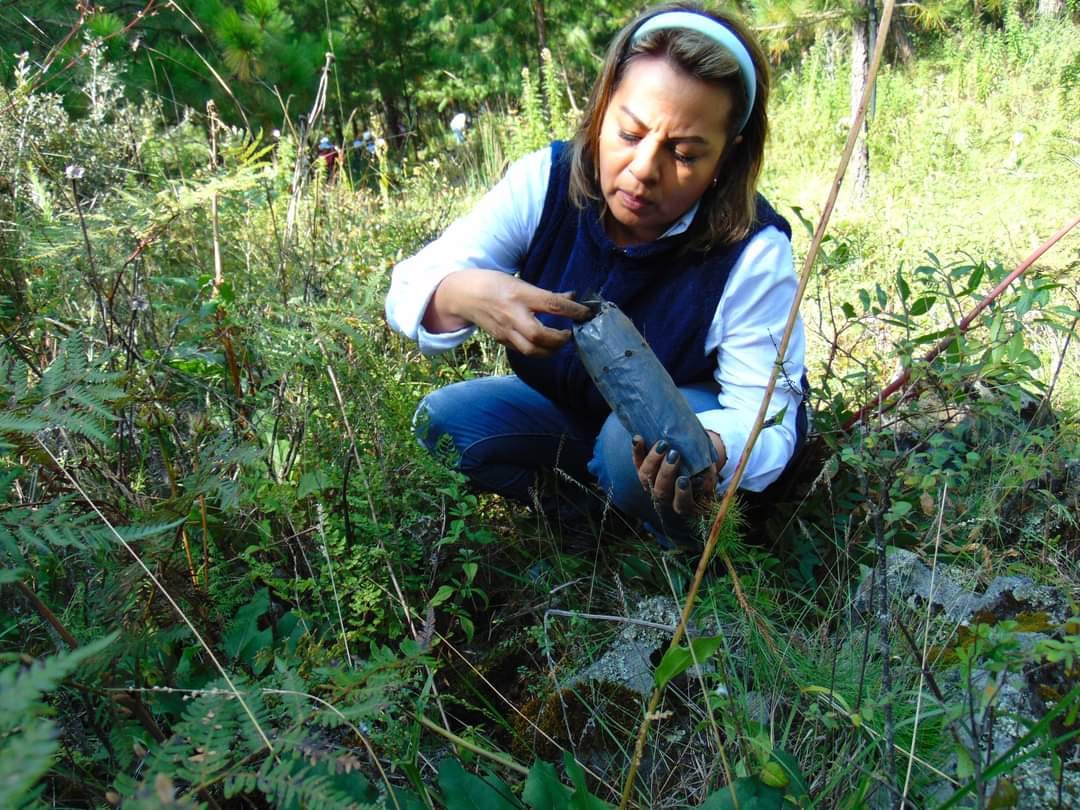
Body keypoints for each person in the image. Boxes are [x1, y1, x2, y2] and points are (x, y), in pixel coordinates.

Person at [386, 3, 807, 548]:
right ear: (603, 107)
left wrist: (713, 447)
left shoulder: (751, 253)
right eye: (629, 133)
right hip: (571, 415)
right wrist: (462, 291)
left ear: (728, 156)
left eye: (683, 153)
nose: (643, 170)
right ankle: (590, 516)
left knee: (629, 451)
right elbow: (409, 289)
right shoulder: (548, 182)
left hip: (674, 441)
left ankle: (670, 544)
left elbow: (768, 415)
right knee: (443, 425)